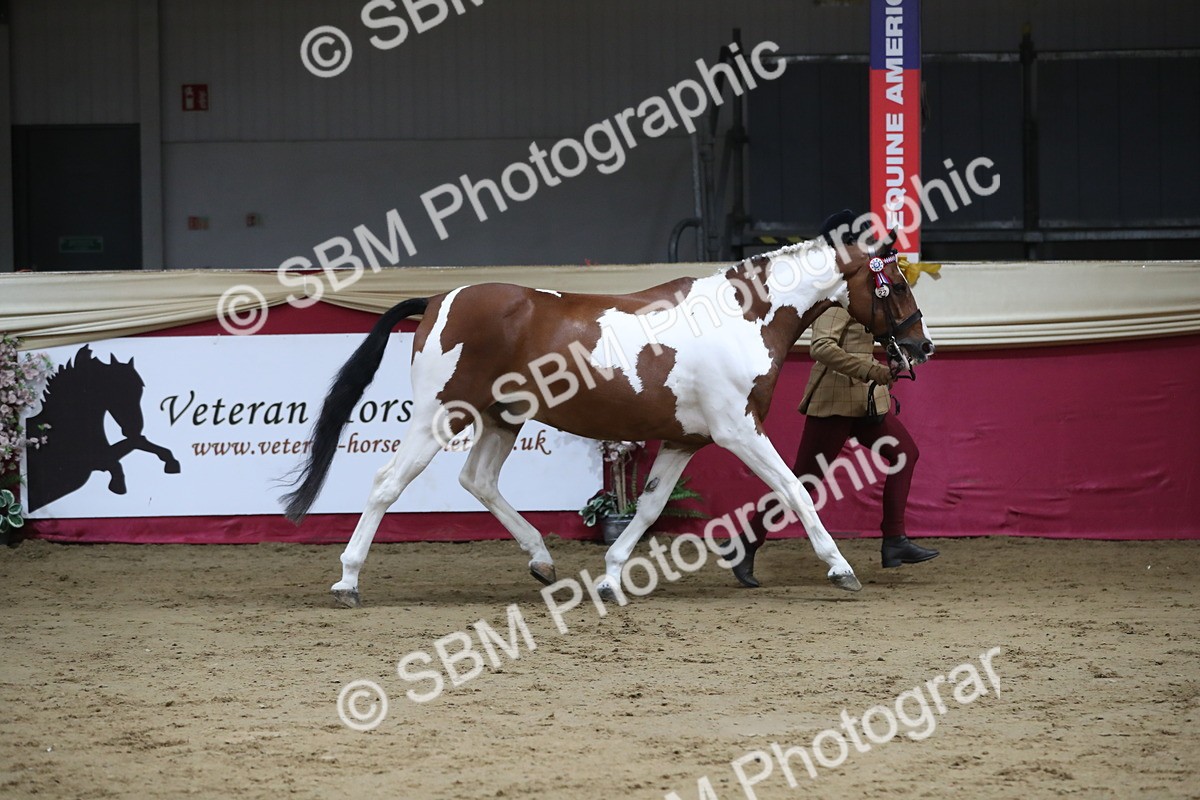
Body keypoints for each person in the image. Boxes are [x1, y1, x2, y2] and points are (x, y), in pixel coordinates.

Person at [730, 303, 938, 588]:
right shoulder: (836, 303)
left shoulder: (860, 302)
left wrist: (891, 359)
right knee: (803, 483)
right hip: (836, 401)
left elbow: (860, 345)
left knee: (904, 453)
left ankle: (895, 540)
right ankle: (745, 542)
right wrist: (871, 370)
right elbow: (821, 347)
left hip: (864, 401)